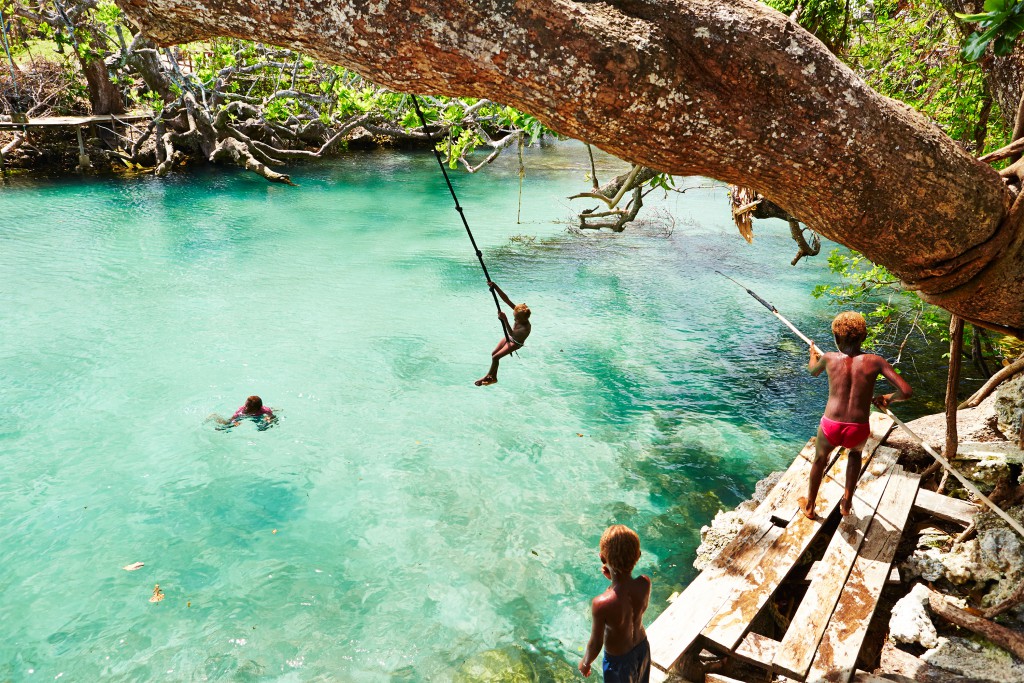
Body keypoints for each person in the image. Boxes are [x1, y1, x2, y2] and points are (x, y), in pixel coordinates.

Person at [800, 311, 912, 519]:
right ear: (865, 337)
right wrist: (887, 397)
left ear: (836, 338)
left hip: (830, 426)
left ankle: (810, 507)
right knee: (854, 455)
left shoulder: (829, 358)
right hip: (858, 428)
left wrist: (812, 355)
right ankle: (846, 504)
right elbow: (906, 392)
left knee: (819, 460)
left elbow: (812, 371)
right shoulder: (876, 361)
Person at [579, 525, 651, 682]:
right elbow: (628, 598)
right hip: (642, 649)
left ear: (603, 559)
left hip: (619, 662)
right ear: (638, 555)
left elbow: (596, 643)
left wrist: (586, 662)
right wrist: (615, 579)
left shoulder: (601, 603)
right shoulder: (645, 583)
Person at [474, 281, 531, 386]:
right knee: (493, 354)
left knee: (496, 357)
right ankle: (494, 377)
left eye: (516, 318)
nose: (514, 318)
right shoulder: (520, 312)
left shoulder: (525, 328)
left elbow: (513, 334)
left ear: (522, 318)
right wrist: (495, 286)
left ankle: (488, 376)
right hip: (510, 336)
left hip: (516, 342)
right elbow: (506, 299)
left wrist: (505, 320)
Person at [207, 395, 277, 430]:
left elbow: (272, 416)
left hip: (257, 416)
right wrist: (234, 422)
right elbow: (232, 419)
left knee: (262, 428)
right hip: (243, 417)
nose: (245, 407)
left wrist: (270, 419)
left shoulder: (264, 410)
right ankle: (215, 417)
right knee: (228, 424)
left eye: (247, 406)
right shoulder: (242, 411)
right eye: (246, 405)